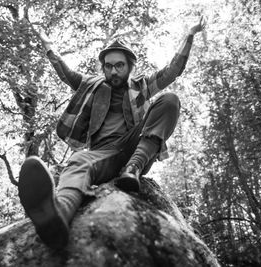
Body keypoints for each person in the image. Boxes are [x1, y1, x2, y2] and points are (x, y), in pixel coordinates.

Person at [18, 17, 206, 249]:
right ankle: (58, 218)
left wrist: (189, 35)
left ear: (129, 66)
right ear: (103, 67)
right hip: (102, 155)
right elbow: (64, 72)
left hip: (135, 147)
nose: (114, 70)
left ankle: (133, 168)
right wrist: (46, 43)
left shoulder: (141, 86)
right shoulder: (91, 84)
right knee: (78, 160)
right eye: (108, 66)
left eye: (119, 65)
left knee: (170, 100)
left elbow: (172, 71)